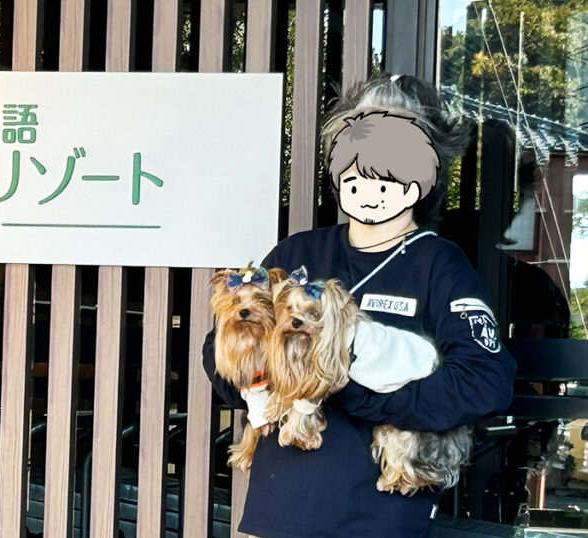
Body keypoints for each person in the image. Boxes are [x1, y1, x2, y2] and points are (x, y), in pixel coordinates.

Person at [202, 74, 517, 537]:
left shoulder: (438, 265)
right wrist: (257, 370)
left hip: (379, 515)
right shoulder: (296, 256)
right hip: (278, 512)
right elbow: (222, 359)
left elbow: (484, 383)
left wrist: (359, 395)